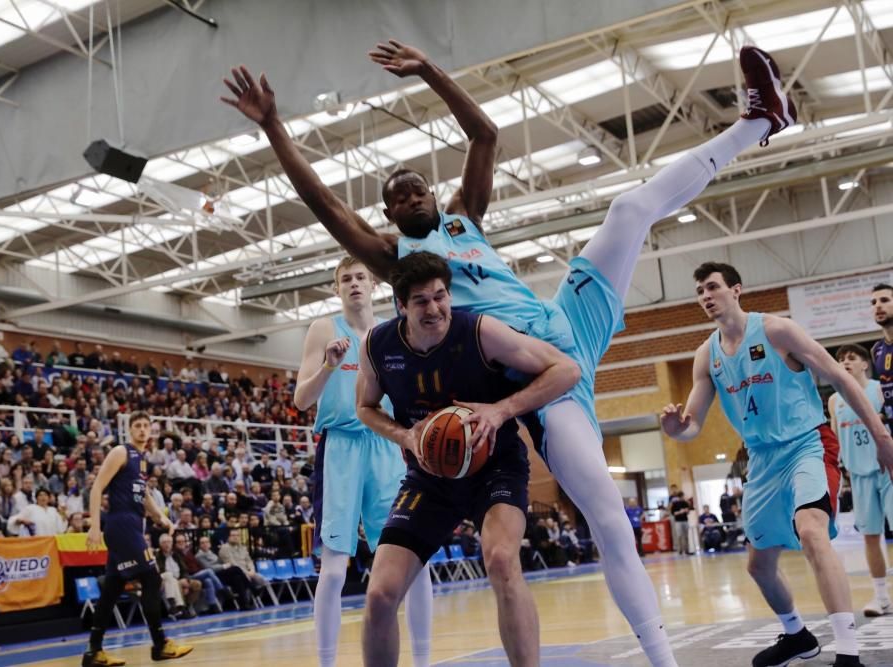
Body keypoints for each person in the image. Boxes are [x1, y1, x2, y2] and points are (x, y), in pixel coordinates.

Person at [223, 38, 797, 667]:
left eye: (421, 189)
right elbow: (323, 205)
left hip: (564, 315)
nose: (415, 197)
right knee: (607, 515)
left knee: (629, 209)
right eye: (402, 195)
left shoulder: (466, 217)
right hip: (535, 369)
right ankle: (664, 659)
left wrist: (429, 71)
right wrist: (275, 126)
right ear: (387, 213)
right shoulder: (396, 264)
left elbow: (485, 134)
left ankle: (760, 121)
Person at [661, 262, 893, 667]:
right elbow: (692, 425)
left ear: (736, 290)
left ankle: (849, 652)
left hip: (807, 443)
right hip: (763, 459)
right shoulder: (706, 355)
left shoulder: (775, 330)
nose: (705, 296)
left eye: (712, 287)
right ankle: (797, 635)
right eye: (699, 291)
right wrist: (674, 428)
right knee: (758, 565)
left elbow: (838, 376)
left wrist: (882, 436)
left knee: (811, 531)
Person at [356, 252, 581, 666]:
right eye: (421, 300)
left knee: (499, 559)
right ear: (401, 306)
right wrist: (404, 434)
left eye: (441, 296)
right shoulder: (377, 345)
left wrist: (501, 409)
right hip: (429, 477)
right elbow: (365, 407)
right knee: (380, 594)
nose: (435, 308)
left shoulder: (479, 331)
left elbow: (566, 369)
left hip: (495, 466)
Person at [292, 255, 432, 667]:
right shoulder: (323, 329)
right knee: (334, 570)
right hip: (340, 448)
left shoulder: (394, 333)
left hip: (387, 445)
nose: (354, 283)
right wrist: (328, 367)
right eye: (345, 279)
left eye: (360, 277)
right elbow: (301, 400)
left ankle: (425, 661)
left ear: (374, 286)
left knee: (414, 563)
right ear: (337, 289)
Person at [81, 411, 192, 667]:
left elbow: (143, 496)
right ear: (130, 430)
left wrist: (160, 517)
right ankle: (160, 644)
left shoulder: (142, 461)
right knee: (151, 577)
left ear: (151, 431)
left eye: (146, 426)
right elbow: (97, 486)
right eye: (138, 426)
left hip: (131, 524)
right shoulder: (121, 451)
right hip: (121, 526)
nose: (142, 430)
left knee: (112, 588)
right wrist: (95, 526)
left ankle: (93, 652)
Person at [829, 344, 889, 616]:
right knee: (870, 537)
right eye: (840, 359)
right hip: (859, 476)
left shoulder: (879, 390)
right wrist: (840, 476)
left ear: (865, 364)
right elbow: (835, 442)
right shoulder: (834, 400)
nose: (845, 362)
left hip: (888, 471)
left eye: (851, 358)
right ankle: (881, 597)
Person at [872, 283, 893, 425]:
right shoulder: (876, 350)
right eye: (873, 302)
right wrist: (881, 414)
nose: (877, 306)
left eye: (884, 300)